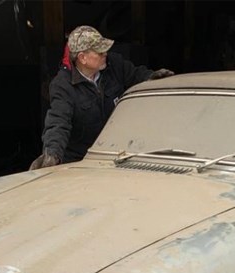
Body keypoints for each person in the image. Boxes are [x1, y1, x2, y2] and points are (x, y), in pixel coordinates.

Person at [30, 25, 174, 170]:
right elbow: (58, 122)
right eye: (99, 51)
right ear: (82, 58)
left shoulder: (114, 64)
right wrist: (52, 154)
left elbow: (136, 75)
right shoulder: (62, 85)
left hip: (117, 155)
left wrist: (152, 77)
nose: (105, 53)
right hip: (80, 160)